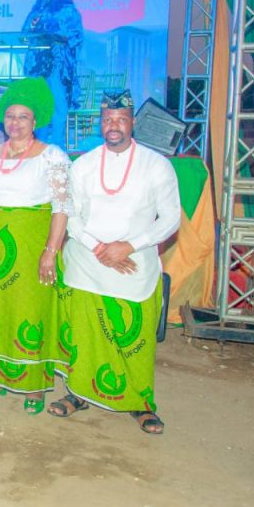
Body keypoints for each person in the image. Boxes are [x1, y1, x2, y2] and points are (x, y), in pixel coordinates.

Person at [49, 89, 180, 435]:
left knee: (134, 337)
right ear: (100, 123)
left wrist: (128, 246)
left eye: (121, 119)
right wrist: (101, 249)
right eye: (107, 119)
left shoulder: (156, 165)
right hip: (86, 264)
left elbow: (170, 220)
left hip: (134, 266)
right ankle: (78, 392)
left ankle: (140, 402)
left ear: (133, 122)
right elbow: (71, 216)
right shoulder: (84, 164)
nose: (113, 125)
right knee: (84, 335)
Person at [0, 78, 71, 414]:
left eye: (23, 117)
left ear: (35, 121)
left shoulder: (52, 156)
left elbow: (61, 208)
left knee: (30, 311)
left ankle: (34, 385)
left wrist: (50, 251)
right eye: (10, 116)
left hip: (32, 249)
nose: (15, 122)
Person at [22, 0, 84, 148]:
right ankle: (39, 145)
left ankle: (57, 146)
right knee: (40, 105)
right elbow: (24, 35)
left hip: (57, 63)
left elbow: (76, 36)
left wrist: (58, 37)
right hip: (38, 64)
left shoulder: (68, 11)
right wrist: (31, 27)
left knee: (57, 104)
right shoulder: (36, 12)